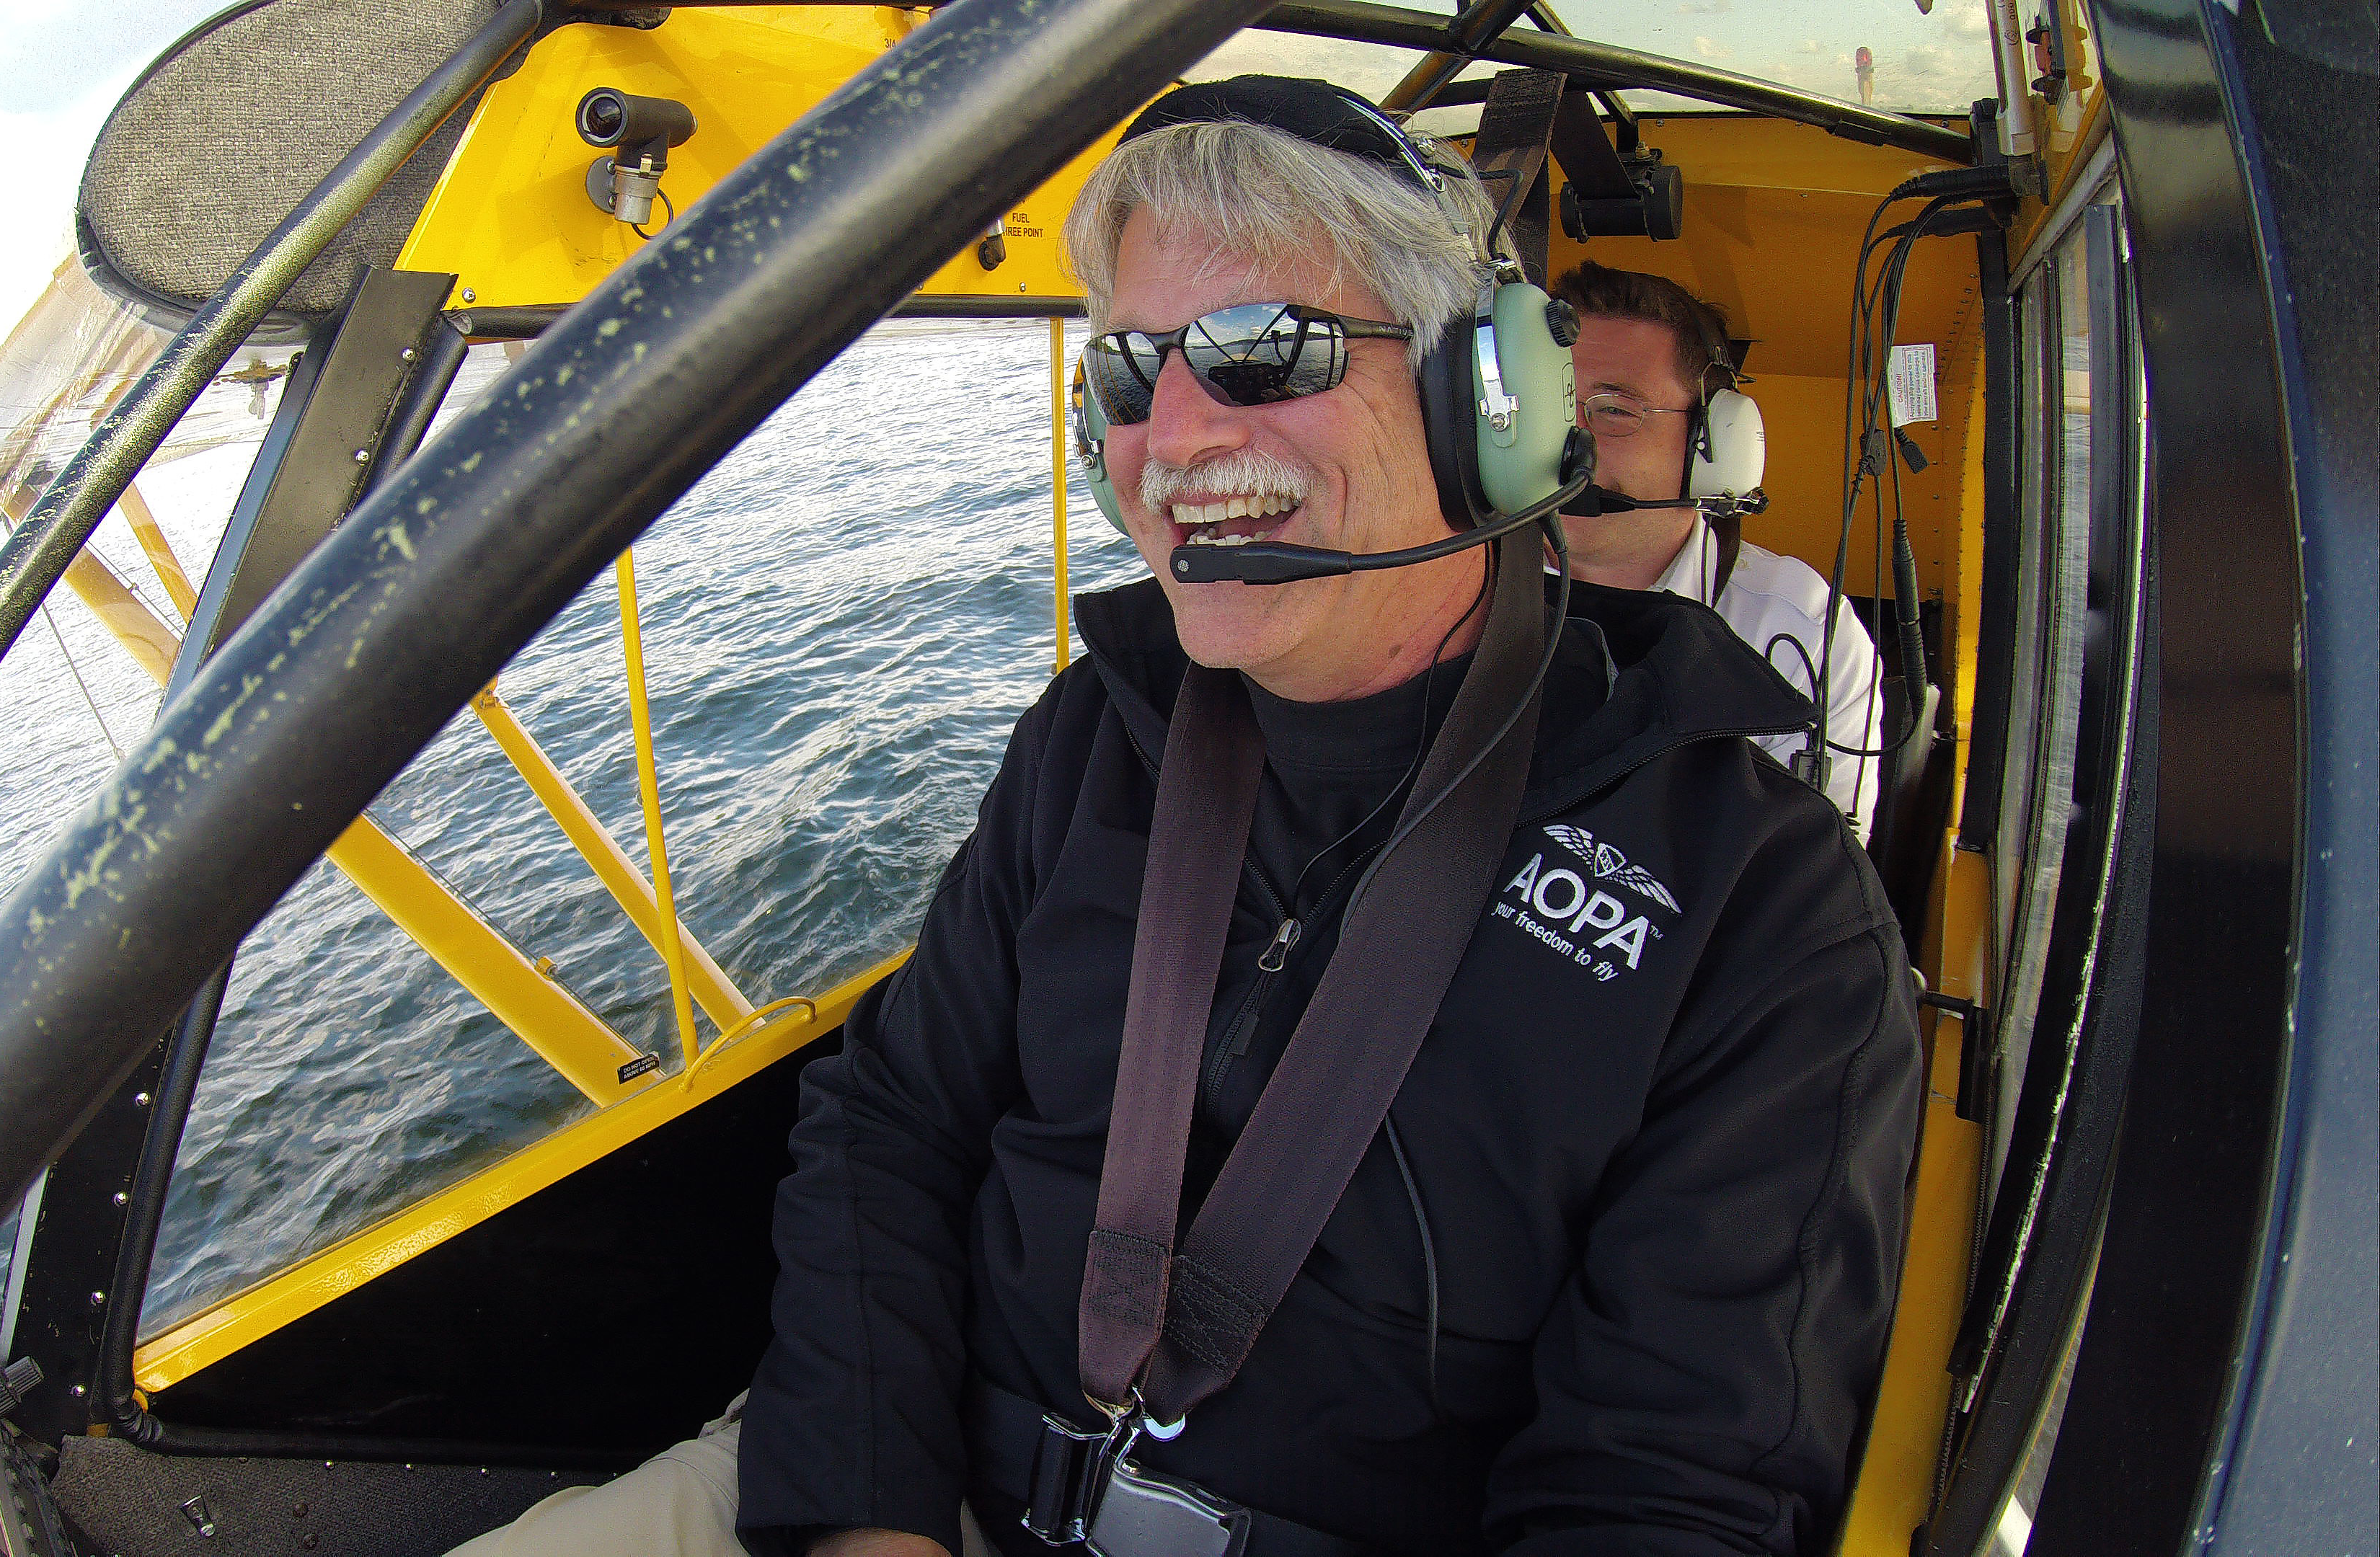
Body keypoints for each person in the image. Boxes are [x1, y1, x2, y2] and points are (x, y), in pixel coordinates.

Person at [454, 76, 1917, 1557]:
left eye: (1259, 353)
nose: (1169, 436)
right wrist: (868, 1520)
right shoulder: (1098, 738)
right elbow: (886, 1125)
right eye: (1128, 374)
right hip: (902, 1481)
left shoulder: (1761, 912)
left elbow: (1667, 1495)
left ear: (1487, 403)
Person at [1548, 260, 1886, 838]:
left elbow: (1803, 891)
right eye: (1550, 405)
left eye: (1614, 410)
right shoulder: (1442, 578)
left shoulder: (1799, 634)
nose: (1567, 443)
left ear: (1715, 446)